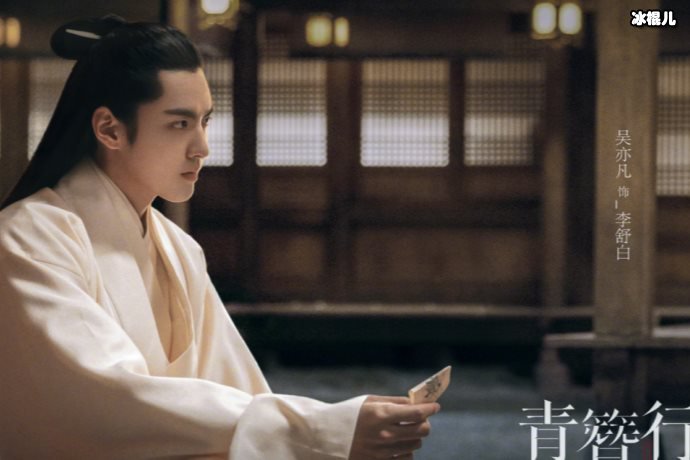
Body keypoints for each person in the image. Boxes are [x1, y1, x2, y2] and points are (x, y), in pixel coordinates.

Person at [0, 15, 439, 459]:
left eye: (204, 121)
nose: (202, 147)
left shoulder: (179, 249)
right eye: (179, 124)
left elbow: (236, 389)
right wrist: (319, 429)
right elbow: (106, 399)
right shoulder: (29, 238)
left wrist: (334, 429)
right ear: (110, 129)